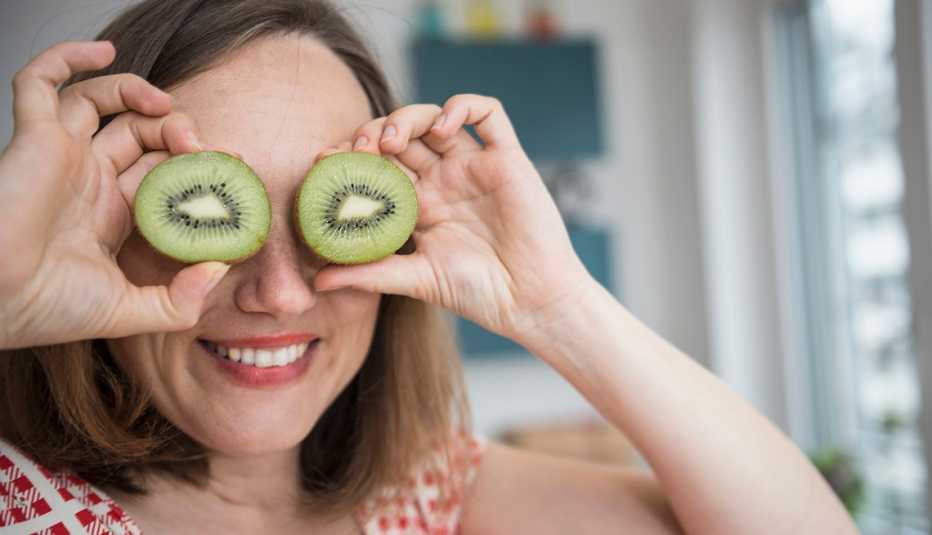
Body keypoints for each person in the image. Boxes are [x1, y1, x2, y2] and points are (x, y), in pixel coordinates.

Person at [0, 1, 857, 534]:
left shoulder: (428, 490)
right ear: (104, 225)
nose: (280, 292)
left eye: (323, 220)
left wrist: (557, 305)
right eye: (212, 223)